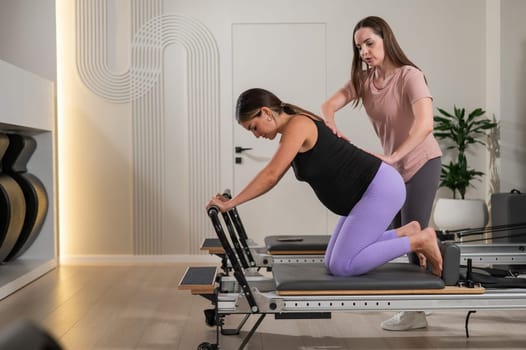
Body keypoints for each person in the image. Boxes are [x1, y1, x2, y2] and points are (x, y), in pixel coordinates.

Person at [207, 87, 443, 280]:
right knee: (332, 262)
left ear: (266, 112)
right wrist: (234, 201)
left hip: (380, 189)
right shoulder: (293, 129)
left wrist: (232, 203)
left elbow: (271, 175)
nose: (256, 135)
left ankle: (418, 240)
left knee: (344, 266)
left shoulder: (298, 125)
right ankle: (405, 232)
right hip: (366, 195)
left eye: (254, 128)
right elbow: (272, 174)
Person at [320, 16, 442, 331]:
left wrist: (396, 155)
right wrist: (332, 127)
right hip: (389, 171)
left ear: (385, 40)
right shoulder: (364, 81)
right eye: (359, 46)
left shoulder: (409, 76)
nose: (364, 51)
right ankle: (408, 304)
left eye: (369, 43)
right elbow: (328, 105)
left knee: (415, 236)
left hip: (421, 161)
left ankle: (417, 311)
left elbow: (425, 124)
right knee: (382, 237)